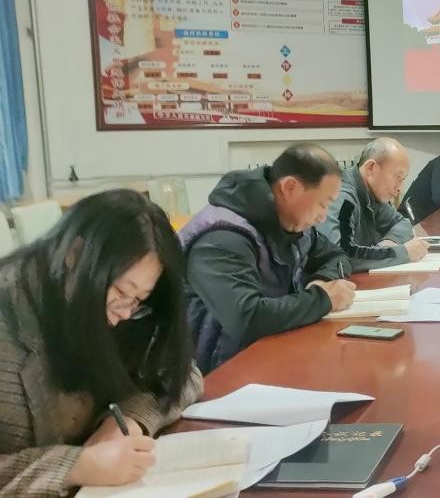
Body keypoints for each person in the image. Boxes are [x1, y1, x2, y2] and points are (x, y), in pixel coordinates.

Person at [0, 190, 202, 495]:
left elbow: (181, 372)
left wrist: (129, 421)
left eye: (139, 299)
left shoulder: (123, 311)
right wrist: (76, 466)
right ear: (74, 254)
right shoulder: (10, 320)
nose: (124, 313)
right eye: (121, 291)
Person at [181, 143, 356, 373]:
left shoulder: (295, 224)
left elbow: (336, 256)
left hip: (271, 350)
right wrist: (322, 299)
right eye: (322, 204)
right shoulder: (223, 238)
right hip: (216, 371)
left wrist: (321, 280)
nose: (323, 217)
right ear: (290, 187)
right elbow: (246, 319)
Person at [317, 138, 429, 272]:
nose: (400, 187)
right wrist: (401, 253)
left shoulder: (372, 193)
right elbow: (340, 256)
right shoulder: (343, 198)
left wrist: (390, 243)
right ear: (371, 168)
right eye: (397, 177)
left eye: (403, 179)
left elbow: (402, 223)